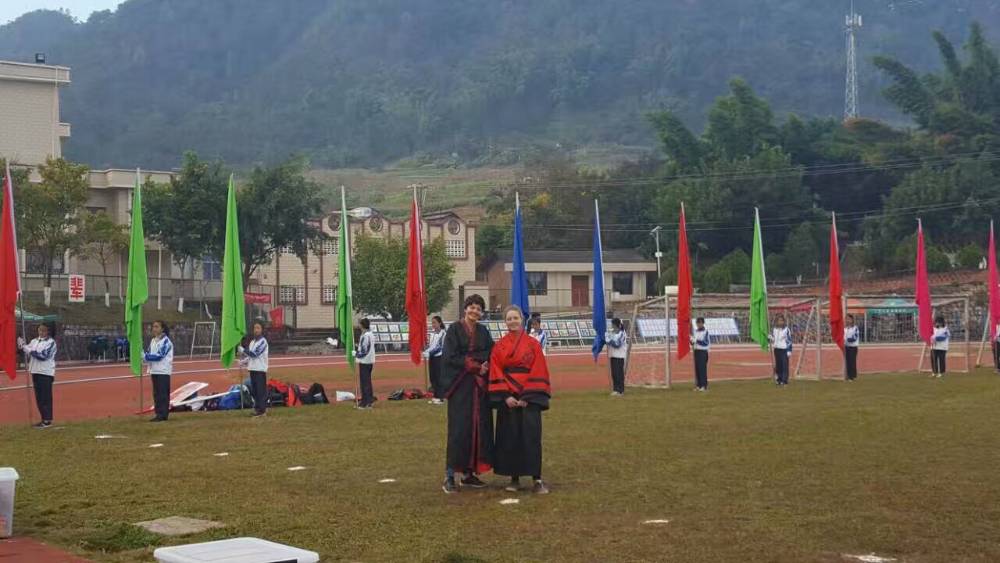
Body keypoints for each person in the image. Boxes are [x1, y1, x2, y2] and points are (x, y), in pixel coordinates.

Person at [489, 305, 552, 494]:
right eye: (509, 319)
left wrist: (527, 396)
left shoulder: (533, 344)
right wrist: (506, 396)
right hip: (508, 397)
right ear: (505, 322)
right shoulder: (499, 346)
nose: (512, 321)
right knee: (510, 438)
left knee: (531, 437)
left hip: (528, 397)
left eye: (515, 318)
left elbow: (539, 368)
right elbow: (495, 369)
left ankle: (537, 479)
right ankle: (514, 478)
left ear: (522, 320)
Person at [440, 294, 495, 493]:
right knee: (459, 430)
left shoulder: (483, 331)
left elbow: (490, 352)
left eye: (478, 308)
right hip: (460, 386)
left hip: (479, 388)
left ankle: (468, 474)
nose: (475, 311)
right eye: (472, 307)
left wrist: (483, 364)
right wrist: (473, 365)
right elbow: (450, 356)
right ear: (465, 309)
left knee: (478, 428)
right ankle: (449, 476)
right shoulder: (454, 330)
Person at [17, 323, 57, 429]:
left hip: (45, 373)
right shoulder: (34, 341)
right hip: (35, 371)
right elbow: (26, 351)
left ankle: (47, 420)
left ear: (48, 331)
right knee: (39, 398)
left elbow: (43, 356)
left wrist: (28, 350)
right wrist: (21, 345)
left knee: (45, 398)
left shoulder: (51, 342)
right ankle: (44, 419)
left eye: (44, 330)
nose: (41, 332)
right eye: (40, 330)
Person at [144, 320, 174, 422]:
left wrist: (146, 356)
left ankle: (163, 414)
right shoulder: (153, 340)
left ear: (162, 329)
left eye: (157, 327)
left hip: (163, 371)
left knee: (163, 394)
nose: (154, 329)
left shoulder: (166, 342)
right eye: (153, 327)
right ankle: (158, 414)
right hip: (154, 370)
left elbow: (160, 355)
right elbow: (148, 352)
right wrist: (144, 356)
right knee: (156, 394)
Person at [238, 321, 269, 417]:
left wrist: (243, 350)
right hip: (252, 369)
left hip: (260, 369)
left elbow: (255, 354)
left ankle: (262, 410)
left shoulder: (263, 342)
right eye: (255, 328)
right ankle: (257, 408)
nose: (256, 330)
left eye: (258, 328)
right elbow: (250, 357)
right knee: (255, 391)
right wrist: (243, 361)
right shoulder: (252, 342)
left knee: (260, 391)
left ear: (262, 330)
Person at [424, 316, 446, 405]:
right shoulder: (432, 334)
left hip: (439, 357)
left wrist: (430, 353)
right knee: (432, 377)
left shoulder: (443, 333)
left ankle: (441, 397)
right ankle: (435, 396)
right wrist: (426, 350)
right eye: (432, 323)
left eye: (434, 322)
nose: (433, 324)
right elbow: (431, 345)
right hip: (432, 357)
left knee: (438, 377)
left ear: (439, 323)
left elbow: (440, 347)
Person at [355, 318, 376, 409]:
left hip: (365, 361)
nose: (359, 325)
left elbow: (365, 350)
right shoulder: (370, 334)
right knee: (367, 382)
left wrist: (356, 354)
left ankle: (366, 402)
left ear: (362, 325)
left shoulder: (365, 336)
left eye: (360, 324)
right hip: (369, 360)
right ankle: (369, 400)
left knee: (364, 383)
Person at [769, 314, 792, 387]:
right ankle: (779, 379)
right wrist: (771, 338)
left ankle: (784, 381)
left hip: (784, 350)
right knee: (778, 365)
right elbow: (774, 339)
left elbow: (789, 341)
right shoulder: (774, 329)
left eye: (782, 320)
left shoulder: (786, 330)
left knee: (784, 365)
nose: (780, 322)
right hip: (777, 349)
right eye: (779, 321)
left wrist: (789, 350)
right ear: (776, 321)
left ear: (784, 321)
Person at [608, 318, 628, 396]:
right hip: (612, 355)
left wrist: (609, 341)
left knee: (619, 374)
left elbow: (617, 345)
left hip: (619, 356)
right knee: (614, 374)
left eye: (612, 324)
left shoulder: (622, 334)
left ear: (616, 325)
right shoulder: (611, 333)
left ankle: (621, 390)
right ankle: (615, 389)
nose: (611, 325)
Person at [691, 317, 710, 391]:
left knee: (702, 369)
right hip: (696, 351)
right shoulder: (695, 332)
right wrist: (691, 341)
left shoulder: (705, 332)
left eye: (700, 323)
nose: (699, 324)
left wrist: (697, 341)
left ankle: (704, 385)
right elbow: (693, 342)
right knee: (697, 369)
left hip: (703, 352)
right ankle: (698, 385)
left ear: (703, 323)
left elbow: (706, 342)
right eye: (697, 323)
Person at [844, 314, 860, 381]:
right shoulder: (845, 329)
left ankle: (852, 376)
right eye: (846, 319)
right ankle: (849, 375)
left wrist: (847, 340)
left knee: (852, 361)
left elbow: (855, 337)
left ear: (852, 320)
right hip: (846, 347)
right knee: (848, 362)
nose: (847, 320)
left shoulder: (855, 328)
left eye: (849, 319)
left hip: (853, 347)